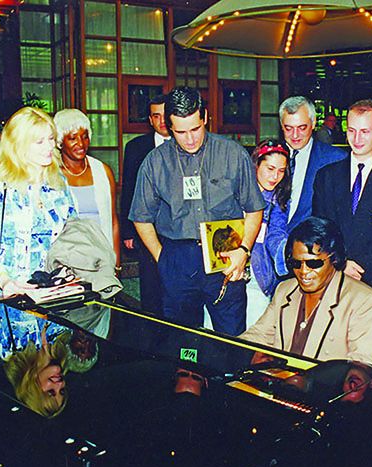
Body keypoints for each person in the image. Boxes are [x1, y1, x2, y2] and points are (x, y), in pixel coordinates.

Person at [129, 86, 265, 336]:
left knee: (231, 339)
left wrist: (243, 251)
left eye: (195, 129)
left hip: (226, 255)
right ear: (169, 127)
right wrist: (163, 258)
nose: (190, 139)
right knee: (182, 342)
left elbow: (254, 208)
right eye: (181, 132)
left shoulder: (232, 154)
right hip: (177, 258)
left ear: (205, 117)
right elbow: (141, 217)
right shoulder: (155, 162)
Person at [313, 99, 372, 369]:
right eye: (351, 130)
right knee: (333, 360)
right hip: (335, 277)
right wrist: (340, 263)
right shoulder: (327, 176)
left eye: (365, 131)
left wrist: (360, 264)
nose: (357, 138)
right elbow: (321, 225)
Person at [241, 217, 372, 367]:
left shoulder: (365, 302)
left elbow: (360, 368)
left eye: (313, 263)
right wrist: (230, 353)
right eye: (296, 263)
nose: (303, 271)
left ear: (335, 259)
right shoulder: (285, 290)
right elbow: (257, 336)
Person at [0, 106, 76, 297]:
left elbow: (73, 233)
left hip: (55, 293)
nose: (49, 146)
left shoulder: (58, 182)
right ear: (18, 145)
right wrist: (4, 281)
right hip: (12, 294)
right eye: (39, 141)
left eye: (51, 138)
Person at [120, 94, 169, 315]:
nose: (161, 121)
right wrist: (128, 231)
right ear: (150, 120)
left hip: (178, 230)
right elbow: (128, 190)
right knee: (150, 288)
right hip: (146, 227)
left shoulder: (186, 143)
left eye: (165, 115)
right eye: (156, 116)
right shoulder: (136, 148)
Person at [53, 108, 120, 269]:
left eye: (84, 136)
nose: (81, 144)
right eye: (72, 138)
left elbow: (113, 222)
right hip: (65, 261)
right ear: (60, 142)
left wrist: (116, 264)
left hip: (101, 258)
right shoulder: (51, 175)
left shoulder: (103, 171)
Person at [279, 96, 347, 231]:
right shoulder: (269, 157)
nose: (295, 135)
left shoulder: (335, 159)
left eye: (302, 128)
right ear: (281, 125)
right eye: (288, 128)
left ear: (313, 123)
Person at [247, 139, 291, 327]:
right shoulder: (236, 192)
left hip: (259, 280)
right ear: (256, 164)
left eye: (281, 171)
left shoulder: (278, 200)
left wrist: (286, 253)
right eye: (270, 169)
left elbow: (276, 233)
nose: (275, 176)